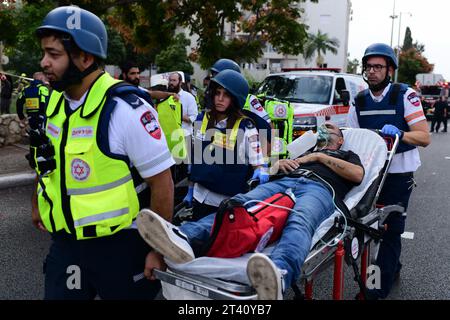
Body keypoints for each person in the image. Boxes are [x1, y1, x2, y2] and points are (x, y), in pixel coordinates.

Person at [32, 6, 175, 300]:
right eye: (44, 53)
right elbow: (48, 163)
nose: (43, 62)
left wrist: (159, 250)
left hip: (118, 249)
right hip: (67, 246)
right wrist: (37, 202)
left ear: (85, 57)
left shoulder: (125, 109)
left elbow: (162, 184)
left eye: (54, 54)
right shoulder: (55, 106)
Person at [136, 122, 364, 300]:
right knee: (239, 204)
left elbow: (357, 175)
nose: (324, 131)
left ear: (341, 139)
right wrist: (278, 166)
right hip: (285, 182)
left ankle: (279, 273)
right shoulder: (304, 153)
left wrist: (318, 157)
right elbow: (271, 168)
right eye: (321, 129)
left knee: (301, 220)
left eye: (330, 129)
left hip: (320, 189)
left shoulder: (347, 155)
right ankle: (184, 236)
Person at [347, 43, 430, 300]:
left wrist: (402, 134)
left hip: (398, 175)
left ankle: (374, 290)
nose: (372, 72)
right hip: (371, 175)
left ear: (390, 70)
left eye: (378, 67)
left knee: (391, 230)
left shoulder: (404, 96)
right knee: (370, 229)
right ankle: (391, 267)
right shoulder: (359, 100)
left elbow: (424, 137)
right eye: (368, 67)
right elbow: (352, 138)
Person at [183, 69, 268, 221]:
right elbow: (194, 159)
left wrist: (261, 171)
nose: (220, 99)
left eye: (226, 95)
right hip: (199, 197)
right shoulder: (202, 119)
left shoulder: (246, 127)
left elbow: (258, 164)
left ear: (235, 99)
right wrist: (190, 189)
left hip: (226, 205)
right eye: (217, 93)